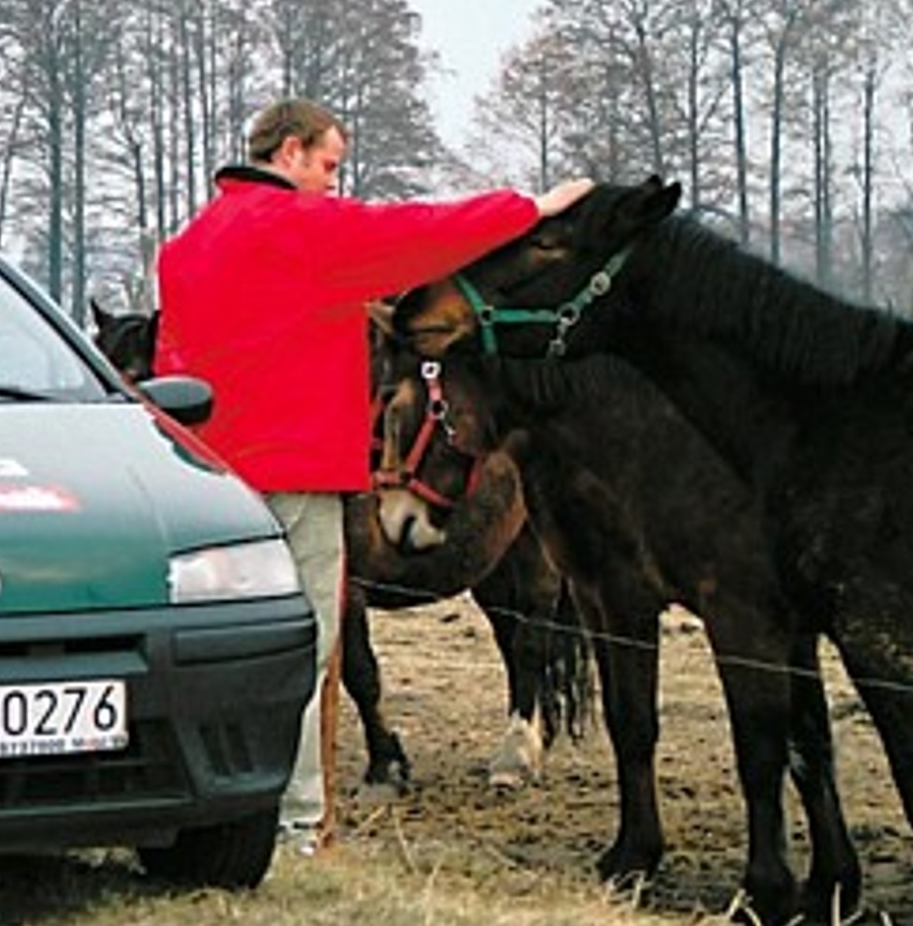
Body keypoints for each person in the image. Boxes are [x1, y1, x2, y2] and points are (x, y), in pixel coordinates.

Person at [152, 97, 593, 855]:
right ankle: (295, 825)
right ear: (289, 152)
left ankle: (211, 807)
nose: (331, 181)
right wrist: (531, 209)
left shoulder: (185, 247)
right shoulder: (298, 227)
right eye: (328, 164)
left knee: (220, 648)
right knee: (308, 651)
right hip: (295, 479)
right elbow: (415, 234)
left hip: (209, 481)